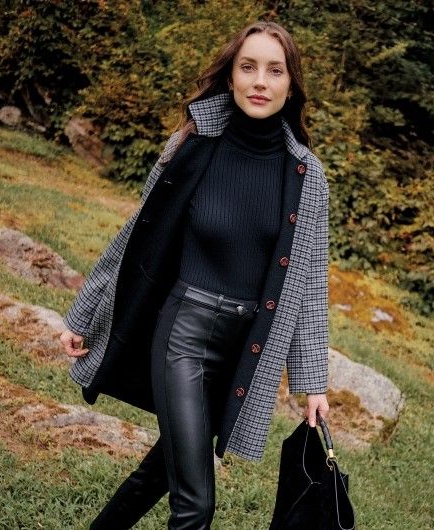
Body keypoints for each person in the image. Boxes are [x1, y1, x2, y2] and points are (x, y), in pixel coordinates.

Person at [59, 20, 330, 530]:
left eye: (275, 71)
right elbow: (134, 237)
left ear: (291, 85)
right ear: (230, 77)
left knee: (158, 474)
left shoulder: (307, 176)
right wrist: (85, 313)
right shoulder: (191, 144)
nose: (260, 81)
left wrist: (312, 382)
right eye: (248, 67)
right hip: (183, 334)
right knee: (195, 504)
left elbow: (311, 282)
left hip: (243, 351)